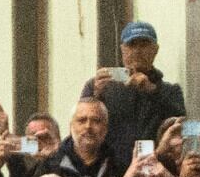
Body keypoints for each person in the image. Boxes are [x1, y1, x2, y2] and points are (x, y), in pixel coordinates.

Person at [79, 19, 185, 154]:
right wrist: (96, 96)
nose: (137, 51)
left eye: (144, 45)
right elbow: (81, 126)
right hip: (109, 167)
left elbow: (180, 128)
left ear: (155, 50)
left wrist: (152, 91)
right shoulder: (100, 86)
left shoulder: (170, 91)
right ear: (122, 49)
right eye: (132, 45)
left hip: (155, 165)